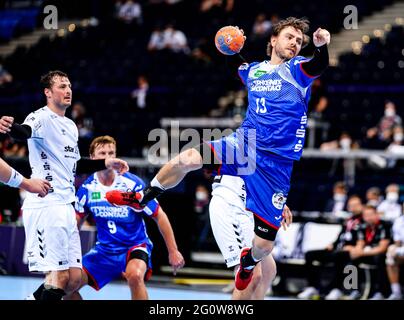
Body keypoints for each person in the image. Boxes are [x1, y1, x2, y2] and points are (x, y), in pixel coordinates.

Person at [106, 17, 330, 291]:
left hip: (276, 164)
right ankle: (145, 196)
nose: (295, 43)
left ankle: (247, 263)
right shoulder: (253, 71)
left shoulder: (298, 70)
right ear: (273, 40)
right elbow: (241, 61)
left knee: (263, 247)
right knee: (187, 158)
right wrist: (232, 44)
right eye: (289, 37)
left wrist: (320, 47)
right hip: (244, 144)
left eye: (299, 40)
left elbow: (318, 64)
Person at [0, 70, 129, 300]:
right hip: (46, 203)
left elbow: (76, 165)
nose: (68, 90)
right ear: (48, 93)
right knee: (58, 277)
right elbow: (23, 132)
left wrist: (106, 162)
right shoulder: (39, 117)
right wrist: (10, 127)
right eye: (61, 86)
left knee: (75, 279)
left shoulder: (70, 126)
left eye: (69, 85)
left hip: (66, 205)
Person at [64, 135, 184, 300]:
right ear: (92, 158)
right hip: (104, 250)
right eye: (102, 153)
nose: (108, 157)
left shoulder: (132, 184)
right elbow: (75, 223)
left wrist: (173, 251)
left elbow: (159, 216)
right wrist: (64, 252)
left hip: (135, 246)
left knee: (134, 275)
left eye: (111, 153)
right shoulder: (87, 187)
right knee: (68, 284)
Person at [209, 174, 292, 299]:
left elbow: (260, 174)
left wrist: (277, 202)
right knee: (252, 274)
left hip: (247, 204)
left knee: (268, 270)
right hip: (230, 201)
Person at [297, 195, 363, 300]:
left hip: (350, 251)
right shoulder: (348, 220)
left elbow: (363, 239)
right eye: (351, 205)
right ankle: (313, 286)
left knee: (339, 256)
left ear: (361, 205)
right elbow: (341, 236)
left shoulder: (363, 221)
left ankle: (336, 289)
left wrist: (355, 247)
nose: (353, 207)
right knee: (310, 254)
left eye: (356, 205)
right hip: (338, 248)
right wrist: (332, 244)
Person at [385, 213, 404, 299]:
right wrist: (395, 250)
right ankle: (396, 292)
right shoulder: (399, 220)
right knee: (390, 257)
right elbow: (397, 242)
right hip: (402, 249)